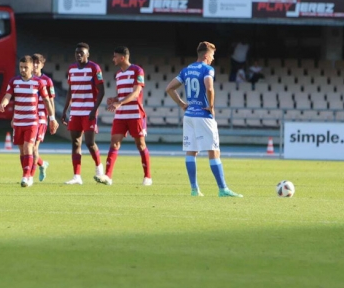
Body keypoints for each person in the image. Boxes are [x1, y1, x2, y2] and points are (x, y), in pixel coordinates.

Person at [165, 41, 243, 197]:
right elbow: (209, 87)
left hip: (189, 116)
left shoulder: (186, 70)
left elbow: (169, 88)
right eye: (212, 55)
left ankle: (194, 189)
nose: (213, 59)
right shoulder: (208, 69)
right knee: (214, 151)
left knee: (191, 152)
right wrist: (211, 106)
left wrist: (182, 104)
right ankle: (223, 189)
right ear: (206, 55)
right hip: (203, 115)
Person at [94, 46, 152, 186]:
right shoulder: (118, 74)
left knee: (141, 145)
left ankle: (147, 177)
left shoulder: (137, 70)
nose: (112, 59)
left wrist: (119, 103)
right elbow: (122, 94)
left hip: (135, 114)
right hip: (121, 115)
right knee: (114, 143)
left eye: (114, 56)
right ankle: (108, 176)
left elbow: (136, 93)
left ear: (122, 57)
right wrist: (114, 99)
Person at [0, 55, 59, 187]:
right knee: (22, 150)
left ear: (32, 67)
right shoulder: (14, 81)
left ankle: (27, 176)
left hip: (33, 121)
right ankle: (28, 173)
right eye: (21, 67)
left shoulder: (40, 82)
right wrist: (3, 103)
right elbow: (8, 95)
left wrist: (52, 118)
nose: (23, 70)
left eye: (26, 67)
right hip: (18, 121)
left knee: (29, 147)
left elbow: (48, 100)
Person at [61, 42, 105, 185]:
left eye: (82, 52)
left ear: (88, 54)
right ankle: (77, 176)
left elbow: (101, 90)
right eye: (77, 53)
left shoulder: (94, 68)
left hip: (89, 111)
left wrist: (94, 109)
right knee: (75, 142)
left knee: (90, 142)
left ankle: (99, 168)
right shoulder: (71, 69)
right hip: (75, 111)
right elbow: (70, 90)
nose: (79, 55)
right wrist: (65, 109)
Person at [31, 53, 56, 182]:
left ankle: (29, 177)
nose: (35, 65)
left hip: (41, 118)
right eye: (33, 62)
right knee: (27, 149)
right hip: (28, 117)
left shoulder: (47, 81)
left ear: (42, 64)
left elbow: (51, 101)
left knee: (34, 148)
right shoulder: (26, 79)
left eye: (38, 62)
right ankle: (42, 164)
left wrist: (53, 119)